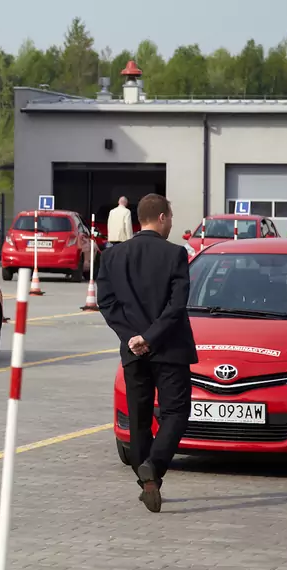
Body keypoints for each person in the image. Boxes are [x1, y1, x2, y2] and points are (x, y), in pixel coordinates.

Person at [95, 193, 197, 513]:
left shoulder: (112, 256)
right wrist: (150, 337)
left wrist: (132, 338)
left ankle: (148, 481)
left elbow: (107, 304)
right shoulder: (175, 254)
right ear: (163, 217)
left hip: (132, 352)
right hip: (170, 349)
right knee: (176, 413)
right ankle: (153, 466)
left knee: (139, 419)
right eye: (171, 217)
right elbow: (176, 305)